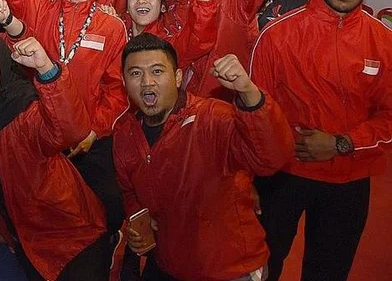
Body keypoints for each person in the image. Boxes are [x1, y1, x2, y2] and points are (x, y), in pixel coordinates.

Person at [251, 0, 392, 281]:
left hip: (349, 179)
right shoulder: (277, 35)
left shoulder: (384, 42)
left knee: (329, 272)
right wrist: (248, 180)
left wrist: (343, 143)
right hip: (280, 175)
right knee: (260, 267)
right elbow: (254, 115)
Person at [114, 34, 292, 281]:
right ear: (123, 81)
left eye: (157, 71)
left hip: (229, 270)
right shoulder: (124, 132)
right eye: (135, 74)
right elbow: (128, 190)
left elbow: (272, 157)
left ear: (177, 78)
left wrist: (249, 93)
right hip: (169, 264)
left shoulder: (213, 117)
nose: (147, 82)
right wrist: (139, 221)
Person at [0, 0, 129, 237]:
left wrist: (93, 132)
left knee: (102, 210)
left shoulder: (111, 28)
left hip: (88, 136)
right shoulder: (42, 8)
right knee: (41, 212)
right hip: (40, 128)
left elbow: (118, 92)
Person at [0, 33, 108, 280]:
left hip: (69, 232)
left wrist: (47, 70)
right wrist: (1, 230)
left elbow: (71, 130)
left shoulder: (23, 111)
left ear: (6, 69)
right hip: (22, 237)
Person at [124, 0, 217, 73]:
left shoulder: (169, 45)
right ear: (127, 7)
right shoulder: (117, 33)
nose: (141, 0)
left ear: (163, 7)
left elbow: (199, 38)